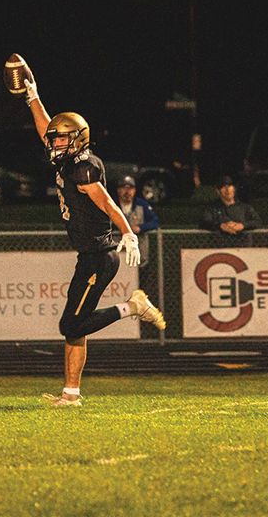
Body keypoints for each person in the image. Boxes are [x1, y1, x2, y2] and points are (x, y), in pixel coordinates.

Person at [21, 74, 166, 407]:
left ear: (77, 140)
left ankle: (133, 306)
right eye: (55, 139)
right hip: (88, 256)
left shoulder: (83, 168)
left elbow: (108, 203)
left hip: (99, 257)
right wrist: (33, 98)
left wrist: (128, 232)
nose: (54, 143)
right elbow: (45, 128)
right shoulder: (68, 158)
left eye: (61, 139)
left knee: (70, 324)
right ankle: (70, 394)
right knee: (77, 327)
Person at [113, 175, 159, 266]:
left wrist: (140, 228)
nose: (127, 192)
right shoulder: (112, 205)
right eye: (124, 188)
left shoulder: (142, 204)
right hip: (117, 255)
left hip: (139, 255)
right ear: (118, 190)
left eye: (130, 188)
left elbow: (155, 221)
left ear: (134, 190)